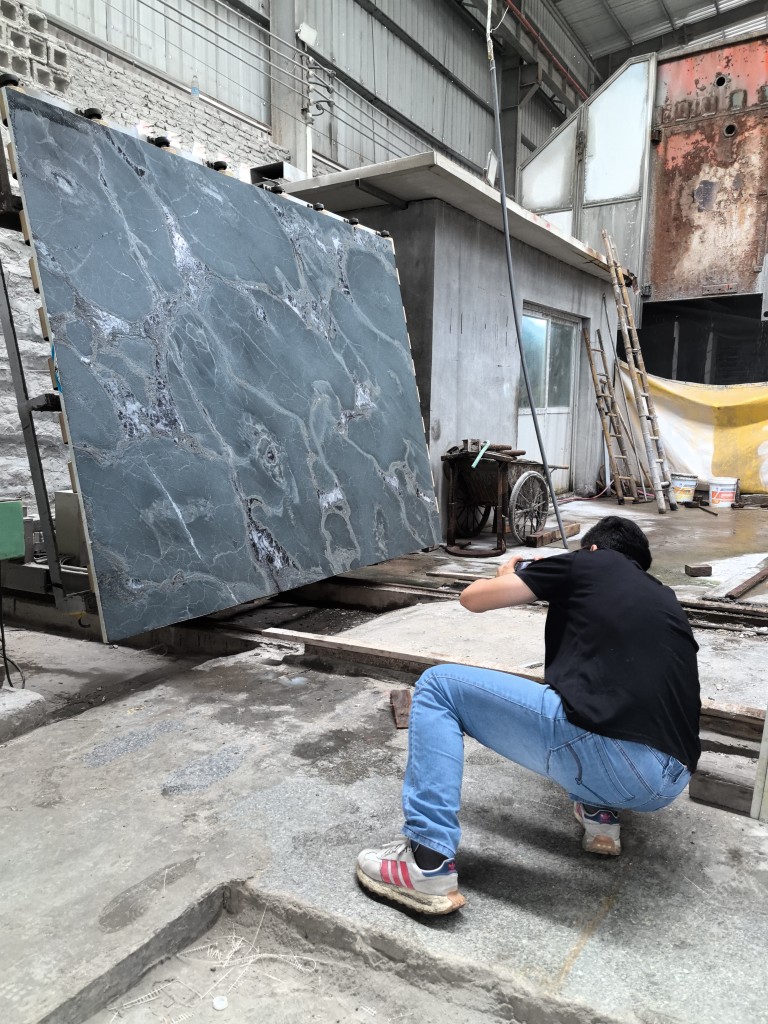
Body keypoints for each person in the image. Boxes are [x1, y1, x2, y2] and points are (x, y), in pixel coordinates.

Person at [356, 516, 700, 915]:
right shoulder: (664, 598)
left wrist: (508, 575)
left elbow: (473, 598)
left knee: (438, 686)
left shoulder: (589, 562)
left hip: (612, 755)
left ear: (593, 548)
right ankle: (600, 817)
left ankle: (426, 862)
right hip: (671, 779)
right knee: (587, 703)